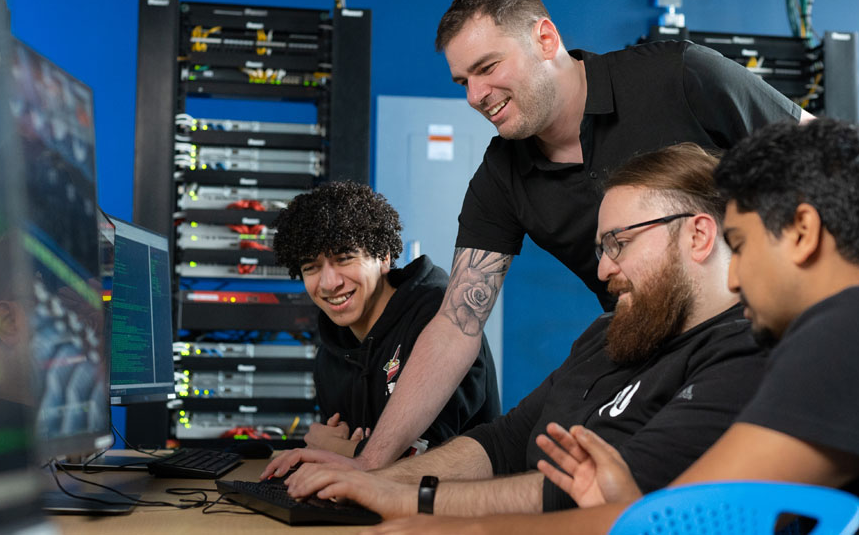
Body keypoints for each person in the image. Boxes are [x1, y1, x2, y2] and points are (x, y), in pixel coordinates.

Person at [300, 0, 812, 471]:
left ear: (546, 38)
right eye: (463, 82)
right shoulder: (502, 176)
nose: (476, 95)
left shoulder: (678, 76)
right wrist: (369, 464)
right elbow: (457, 325)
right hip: (650, 357)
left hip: (760, 342)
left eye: (487, 67)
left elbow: (827, 159)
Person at [365, 118, 859, 534]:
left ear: (802, 232)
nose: (739, 272)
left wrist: (462, 528)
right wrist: (631, 505)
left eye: (744, 246)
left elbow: (684, 516)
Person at [269, 144, 766, 521]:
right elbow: (503, 442)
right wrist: (368, 477)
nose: (602, 271)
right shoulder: (608, 335)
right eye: (601, 249)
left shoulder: (744, 355)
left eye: (619, 243)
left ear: (699, 235)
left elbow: (589, 498)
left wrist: (405, 497)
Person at [272, 181, 500, 458]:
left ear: (383, 257)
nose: (329, 283)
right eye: (311, 267)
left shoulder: (442, 321)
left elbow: (426, 461)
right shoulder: (330, 356)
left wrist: (332, 447)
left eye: (344, 258)